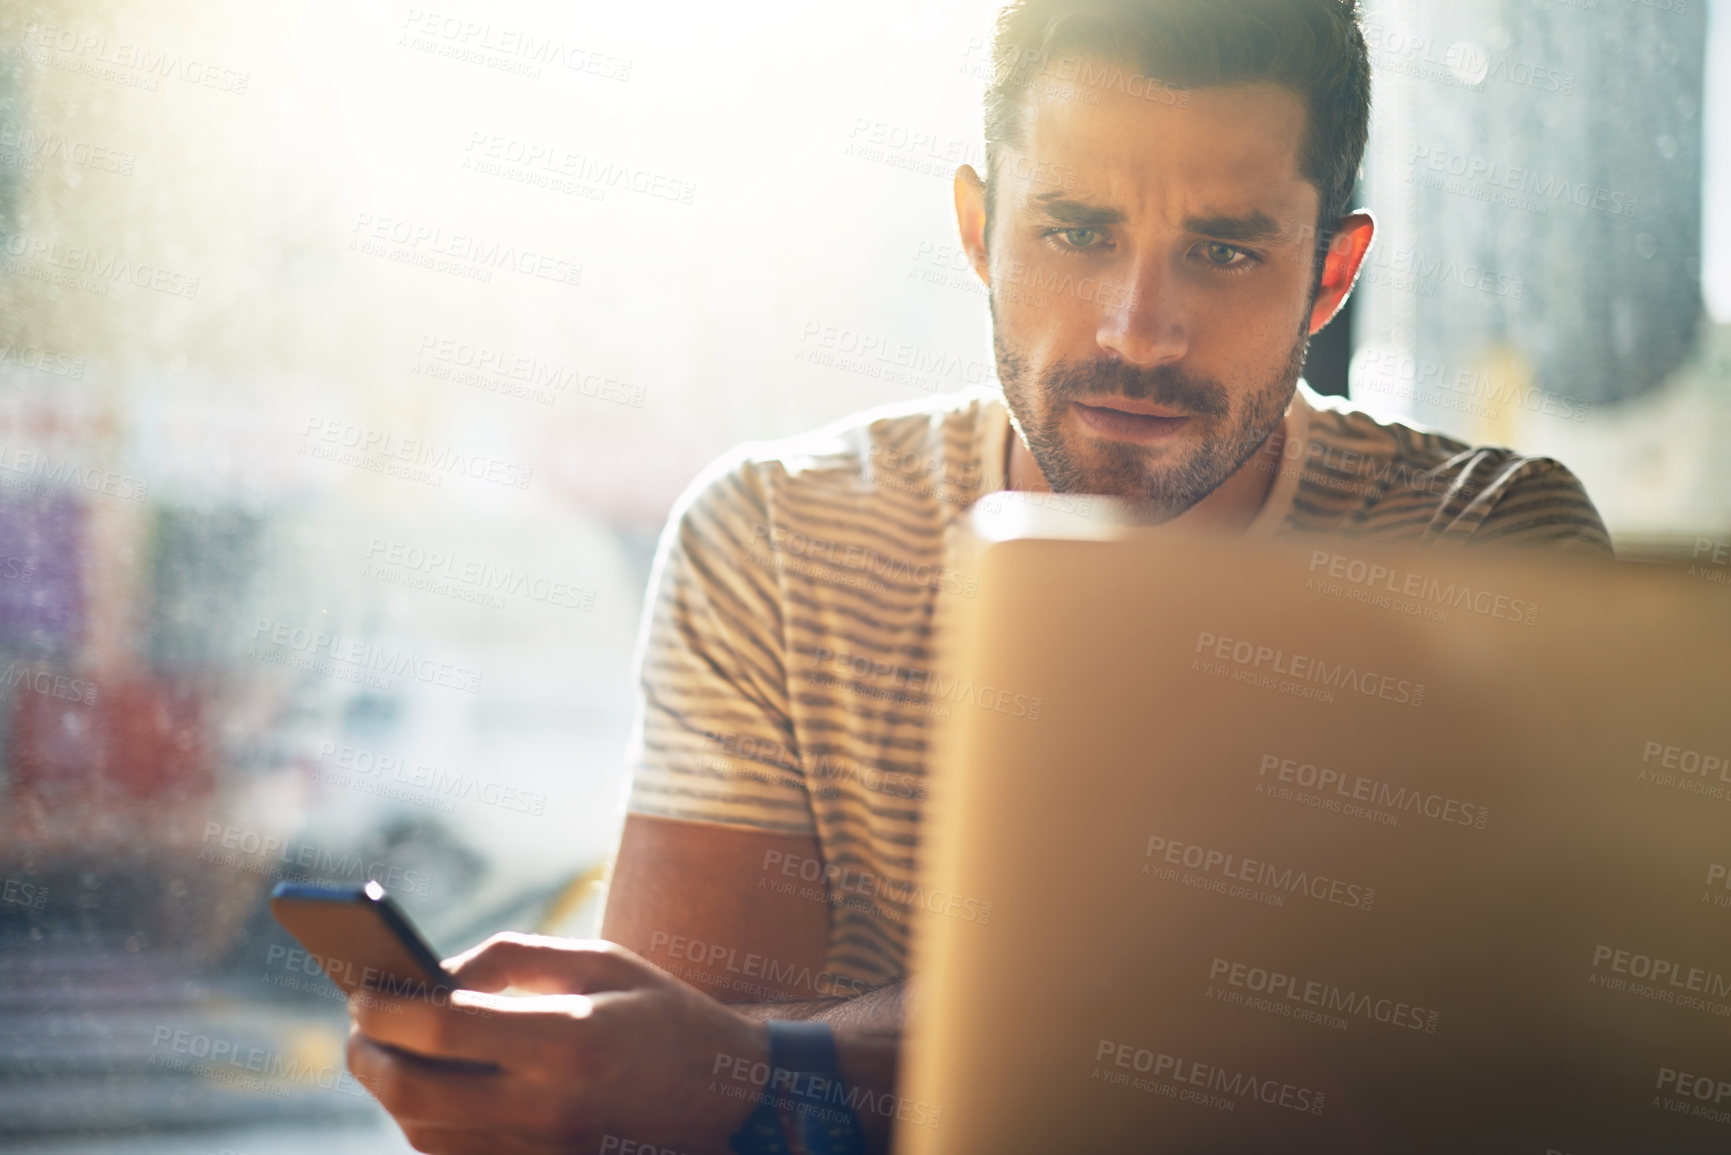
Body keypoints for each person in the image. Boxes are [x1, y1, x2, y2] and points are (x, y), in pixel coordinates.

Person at [343, 1, 1611, 1151]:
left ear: (1330, 274)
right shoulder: (776, 540)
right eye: (1075, 230)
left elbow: (1426, 1065)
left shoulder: (1484, 545)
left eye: (1224, 251)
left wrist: (766, 1072)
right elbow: (683, 1095)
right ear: (977, 229)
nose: (1136, 328)